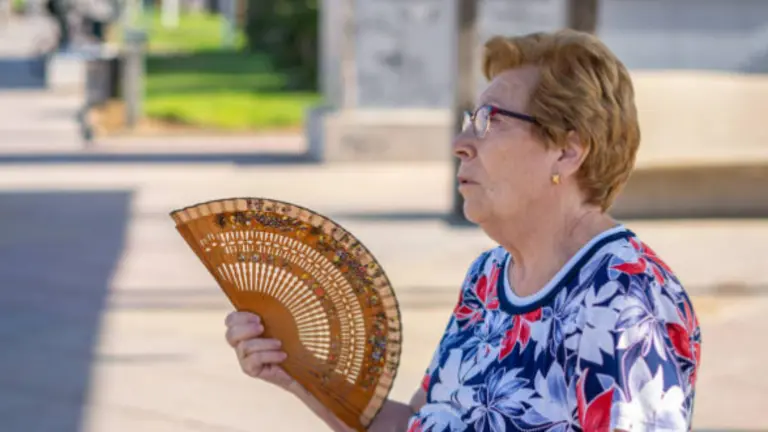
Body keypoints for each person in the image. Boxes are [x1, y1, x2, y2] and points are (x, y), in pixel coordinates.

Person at [224, 29, 702, 432]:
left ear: (567, 150)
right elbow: (417, 423)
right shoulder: (489, 278)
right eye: (470, 120)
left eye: (490, 121)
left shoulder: (625, 297)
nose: (460, 143)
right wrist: (302, 371)